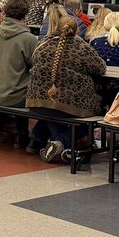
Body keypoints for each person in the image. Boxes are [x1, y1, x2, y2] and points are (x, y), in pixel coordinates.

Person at [26, 13, 105, 163]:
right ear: (76, 30)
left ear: (56, 27)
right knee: (92, 117)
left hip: (36, 101)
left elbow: (33, 61)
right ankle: (60, 142)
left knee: (52, 109)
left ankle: (37, 138)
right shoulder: (82, 48)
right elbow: (101, 68)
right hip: (71, 104)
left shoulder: (43, 44)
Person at [0, 0, 38, 147]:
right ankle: (22, 136)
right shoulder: (29, 39)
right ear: (25, 15)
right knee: (26, 90)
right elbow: (36, 67)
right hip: (15, 97)